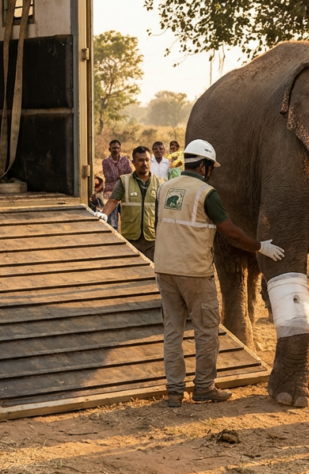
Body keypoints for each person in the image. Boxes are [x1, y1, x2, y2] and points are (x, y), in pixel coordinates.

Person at [153, 139, 285, 407]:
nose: (211, 171)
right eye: (210, 166)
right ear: (203, 166)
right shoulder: (206, 193)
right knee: (206, 330)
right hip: (195, 272)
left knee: (173, 332)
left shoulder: (165, 188)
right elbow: (229, 230)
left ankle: (175, 391)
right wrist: (261, 246)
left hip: (165, 269)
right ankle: (203, 387)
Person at [99, 147, 161, 260]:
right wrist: (104, 215)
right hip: (130, 238)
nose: (144, 163)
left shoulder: (160, 183)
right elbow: (113, 200)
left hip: (152, 240)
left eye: (147, 160)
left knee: (151, 272)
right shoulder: (124, 181)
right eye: (140, 160)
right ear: (133, 163)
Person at [101, 139, 132, 230]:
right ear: (109, 149)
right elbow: (109, 176)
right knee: (112, 217)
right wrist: (121, 176)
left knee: (126, 212)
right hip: (110, 190)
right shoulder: (105, 162)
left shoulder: (125, 160)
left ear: (120, 149)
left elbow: (129, 174)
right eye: (114, 148)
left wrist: (119, 176)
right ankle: (113, 230)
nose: (116, 150)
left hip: (124, 188)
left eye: (118, 148)